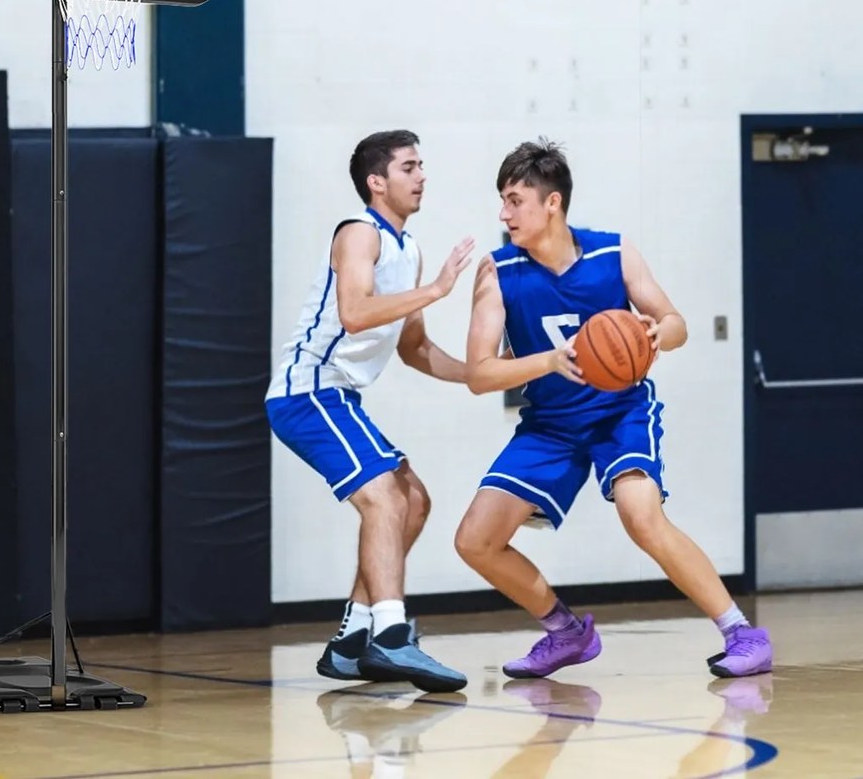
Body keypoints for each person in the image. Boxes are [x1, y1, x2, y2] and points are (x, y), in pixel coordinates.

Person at [454, 138, 772, 680]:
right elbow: (479, 375)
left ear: (551, 203)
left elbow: (676, 324)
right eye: (501, 201)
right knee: (475, 541)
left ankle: (742, 632)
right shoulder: (497, 272)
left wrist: (656, 332)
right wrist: (548, 362)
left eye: (514, 200)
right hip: (551, 425)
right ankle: (566, 633)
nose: (503, 213)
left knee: (641, 516)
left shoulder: (613, 254)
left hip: (620, 413)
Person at [266, 130, 474, 692]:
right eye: (409, 167)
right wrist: (435, 290)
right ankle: (391, 635)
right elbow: (355, 312)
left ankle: (353, 641)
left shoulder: (411, 251)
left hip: (338, 395)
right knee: (384, 494)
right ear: (376, 182)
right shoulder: (359, 233)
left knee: (414, 501)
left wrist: (476, 373)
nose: (422, 175)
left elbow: (415, 348)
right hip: (308, 389)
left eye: (422, 165)